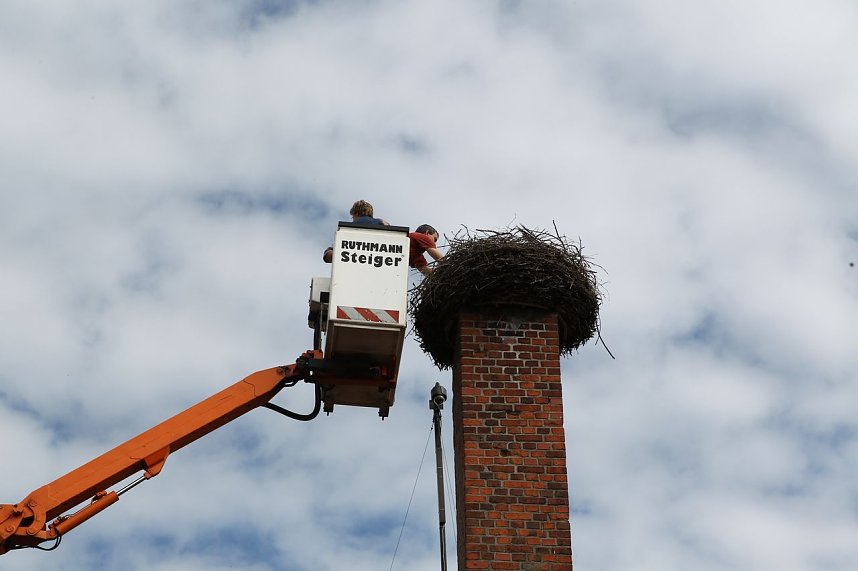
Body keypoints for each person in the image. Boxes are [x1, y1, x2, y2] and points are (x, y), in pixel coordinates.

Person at [323, 200, 389, 262]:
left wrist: (330, 252)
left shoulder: (346, 229)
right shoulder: (383, 224)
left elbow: (328, 256)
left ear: (356, 214)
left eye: (352, 217)